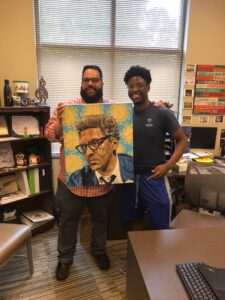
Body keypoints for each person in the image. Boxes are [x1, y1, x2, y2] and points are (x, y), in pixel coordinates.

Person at [45, 65, 114, 281]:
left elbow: (127, 128)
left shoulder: (113, 108)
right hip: (71, 181)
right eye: (86, 80)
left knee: (101, 219)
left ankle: (99, 251)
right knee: (68, 221)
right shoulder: (68, 106)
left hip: (100, 181)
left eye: (95, 80)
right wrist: (62, 120)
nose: (91, 84)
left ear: (102, 83)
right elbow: (50, 134)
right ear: (81, 83)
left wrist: (159, 106)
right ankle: (65, 259)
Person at [120, 65, 187, 274]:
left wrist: (167, 166)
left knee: (161, 225)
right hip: (129, 178)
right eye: (130, 86)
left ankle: (163, 261)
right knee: (133, 220)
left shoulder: (161, 113)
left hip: (154, 177)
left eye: (139, 85)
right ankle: (135, 258)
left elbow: (182, 140)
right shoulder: (122, 116)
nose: (135, 89)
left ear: (148, 86)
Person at [68, 114, 134, 186]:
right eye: (83, 146)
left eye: (94, 143)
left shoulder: (133, 167)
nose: (88, 153)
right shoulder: (77, 180)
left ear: (114, 143)